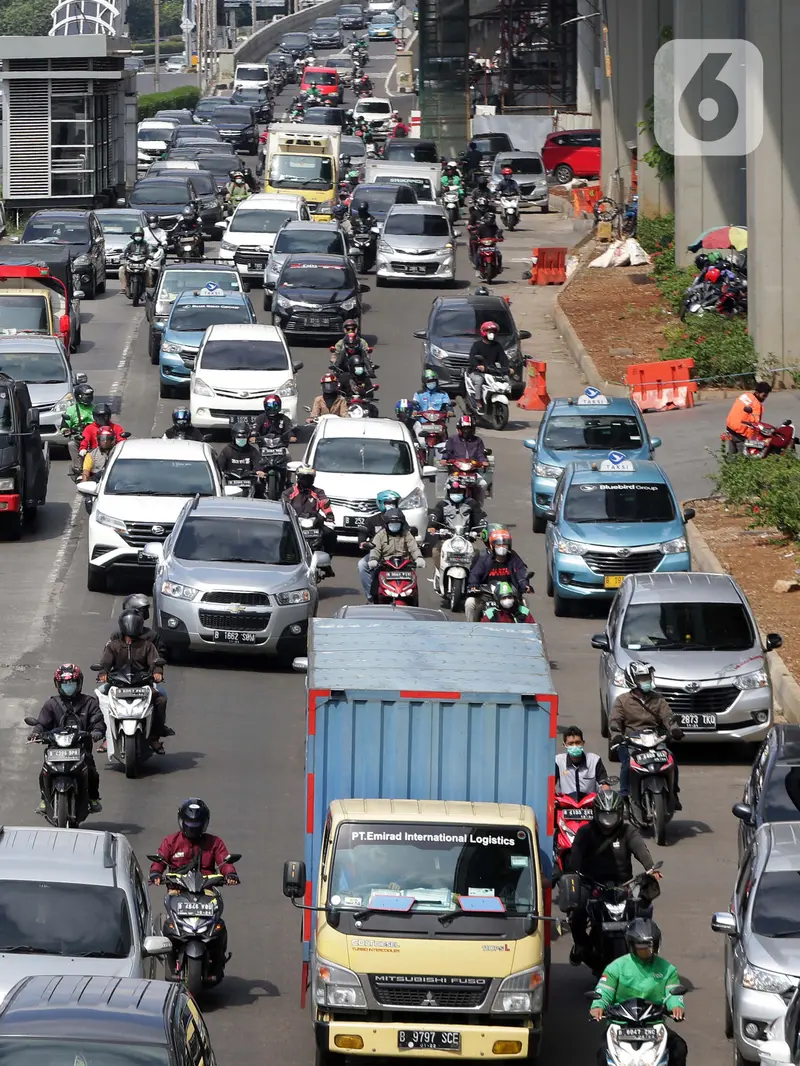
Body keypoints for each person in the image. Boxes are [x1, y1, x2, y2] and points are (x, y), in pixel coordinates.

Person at [149, 799, 240, 978]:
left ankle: (218, 956)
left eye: (197, 824)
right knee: (168, 925)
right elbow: (159, 862)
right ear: (181, 822)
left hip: (206, 890)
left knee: (219, 925)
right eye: (189, 824)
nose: (193, 828)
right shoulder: (171, 841)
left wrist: (230, 874)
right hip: (178, 890)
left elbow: (225, 861)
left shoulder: (214, 842)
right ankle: (168, 954)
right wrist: (156, 875)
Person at [567, 791, 658, 965]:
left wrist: (650, 868)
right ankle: (580, 945)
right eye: (603, 815)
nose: (607, 820)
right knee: (577, 911)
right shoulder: (585, 832)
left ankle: (642, 950)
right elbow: (575, 860)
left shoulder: (628, 831)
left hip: (623, 884)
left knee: (643, 911)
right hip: (591, 883)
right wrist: (572, 874)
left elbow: (641, 849)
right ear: (595, 813)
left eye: (611, 815)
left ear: (620, 812)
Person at [590, 919, 687, 1066]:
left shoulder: (668, 969)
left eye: (650, 946)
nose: (646, 951)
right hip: (620, 1025)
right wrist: (598, 1006)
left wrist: (676, 1007)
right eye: (641, 947)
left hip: (653, 1024)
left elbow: (673, 994)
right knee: (603, 1053)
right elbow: (604, 991)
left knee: (679, 1048)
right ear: (631, 946)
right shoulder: (616, 967)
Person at [27, 664, 104, 813]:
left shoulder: (89, 702)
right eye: (65, 684)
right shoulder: (51, 704)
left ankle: (93, 799)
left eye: (71, 683)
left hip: (80, 748)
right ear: (58, 685)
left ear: (79, 683)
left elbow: (98, 721)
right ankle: (44, 799)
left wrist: (97, 731)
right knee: (44, 770)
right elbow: (42, 723)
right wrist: (36, 733)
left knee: (91, 770)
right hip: (56, 748)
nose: (68, 686)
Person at [609, 661, 682, 809]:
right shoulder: (622, 701)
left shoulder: (658, 699)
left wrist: (674, 729)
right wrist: (616, 735)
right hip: (631, 740)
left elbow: (668, 717)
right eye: (642, 678)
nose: (646, 681)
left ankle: (674, 792)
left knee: (671, 759)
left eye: (647, 677)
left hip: (655, 738)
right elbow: (615, 721)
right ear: (632, 680)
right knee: (626, 764)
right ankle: (624, 796)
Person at [98, 610, 171, 752]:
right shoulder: (113, 645)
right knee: (100, 698)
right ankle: (107, 736)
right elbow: (105, 663)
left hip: (142, 683)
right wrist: (103, 673)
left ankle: (154, 736)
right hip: (117, 683)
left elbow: (155, 662)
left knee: (161, 700)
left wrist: (157, 673)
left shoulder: (147, 645)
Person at [465, 527, 531, 622]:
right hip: (486, 595)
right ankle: (471, 630)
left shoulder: (513, 558)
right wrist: (473, 585)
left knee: (524, 603)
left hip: (509, 594)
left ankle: (523, 629)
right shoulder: (483, 558)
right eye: (498, 545)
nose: (502, 547)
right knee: (470, 603)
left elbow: (521, 572)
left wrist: (525, 585)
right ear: (492, 546)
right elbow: (475, 573)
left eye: (504, 545)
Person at [428, 475, 485, 575]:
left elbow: (478, 518)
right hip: (446, 539)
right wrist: (432, 526)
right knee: (436, 552)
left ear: (464, 492)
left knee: (476, 554)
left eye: (459, 492)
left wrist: (482, 529)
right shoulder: (442, 505)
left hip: (467, 539)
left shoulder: (472, 504)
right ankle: (440, 573)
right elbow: (435, 516)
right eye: (454, 492)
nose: (456, 494)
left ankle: (472, 577)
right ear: (448, 492)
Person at [282, 464, 336, 565]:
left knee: (330, 534)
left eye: (310, 478)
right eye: (305, 477)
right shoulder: (289, 492)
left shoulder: (318, 492)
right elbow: (284, 505)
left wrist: (329, 514)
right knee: (284, 536)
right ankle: (284, 557)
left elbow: (324, 502)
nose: (307, 480)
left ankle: (326, 561)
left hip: (314, 522)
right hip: (295, 523)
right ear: (298, 477)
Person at [367, 508, 424, 597]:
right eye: (392, 524)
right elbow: (375, 549)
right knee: (374, 587)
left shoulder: (407, 534)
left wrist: (419, 558)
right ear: (386, 524)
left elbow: (414, 548)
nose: (394, 526)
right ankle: (375, 604)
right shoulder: (380, 535)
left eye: (397, 524)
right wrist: (373, 559)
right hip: (385, 566)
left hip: (405, 566)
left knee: (413, 590)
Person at [356, 489, 401, 600]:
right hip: (377, 554)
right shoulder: (372, 520)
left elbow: (408, 533)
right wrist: (363, 542)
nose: (391, 506)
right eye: (388, 503)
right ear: (380, 504)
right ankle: (370, 596)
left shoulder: (401, 519)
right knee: (362, 565)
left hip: (398, 554)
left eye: (393, 503)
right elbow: (363, 532)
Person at [441, 414, 490, 505]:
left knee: (483, 484)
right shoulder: (452, 439)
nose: (467, 431)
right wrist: (444, 459)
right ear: (460, 428)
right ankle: (446, 505)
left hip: (473, 472)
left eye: (469, 428)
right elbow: (448, 451)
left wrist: (483, 461)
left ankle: (478, 505)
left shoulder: (478, 441)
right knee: (447, 486)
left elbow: (480, 454)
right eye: (464, 428)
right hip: (455, 471)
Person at [555, 726, 610, 800]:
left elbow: (604, 783)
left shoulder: (594, 760)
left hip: (590, 804)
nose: (575, 746)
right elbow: (550, 785)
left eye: (577, 742)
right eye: (571, 743)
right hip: (566, 804)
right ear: (565, 745)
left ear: (583, 743)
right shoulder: (559, 761)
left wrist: (606, 794)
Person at [468, 321, 510, 411]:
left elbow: (503, 358)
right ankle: (478, 401)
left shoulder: (497, 346)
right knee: (479, 381)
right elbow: (472, 358)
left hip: (491, 370)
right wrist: (478, 366)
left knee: (505, 379)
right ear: (484, 332)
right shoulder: (477, 345)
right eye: (489, 331)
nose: (491, 334)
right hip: (477, 371)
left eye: (493, 331)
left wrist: (507, 368)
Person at [217, 422, 266, 493]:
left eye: (244, 438)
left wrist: (259, 471)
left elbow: (258, 463)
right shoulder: (227, 450)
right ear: (234, 437)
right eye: (239, 438)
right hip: (230, 482)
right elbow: (219, 466)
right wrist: (222, 473)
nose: (241, 440)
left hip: (249, 482)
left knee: (260, 489)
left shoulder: (252, 451)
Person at [725, 381, 773, 455]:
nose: (765, 398)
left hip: (730, 428)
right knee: (744, 459)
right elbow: (756, 425)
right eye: (764, 395)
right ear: (757, 393)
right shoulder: (757, 405)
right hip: (740, 434)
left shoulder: (745, 395)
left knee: (731, 455)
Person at [61, 383, 96, 475]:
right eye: (86, 395)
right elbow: (64, 426)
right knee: (71, 444)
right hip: (79, 437)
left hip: (94, 437)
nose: (88, 397)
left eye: (90, 395)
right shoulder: (71, 410)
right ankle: (78, 467)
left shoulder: (95, 409)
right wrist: (66, 431)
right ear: (79, 396)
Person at [411, 369, 452, 441]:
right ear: (424, 383)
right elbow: (415, 404)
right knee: (416, 440)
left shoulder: (443, 394)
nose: (431, 383)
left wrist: (449, 411)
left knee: (446, 442)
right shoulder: (418, 394)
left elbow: (448, 405)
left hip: (439, 423)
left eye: (433, 381)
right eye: (429, 381)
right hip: (423, 423)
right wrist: (414, 410)